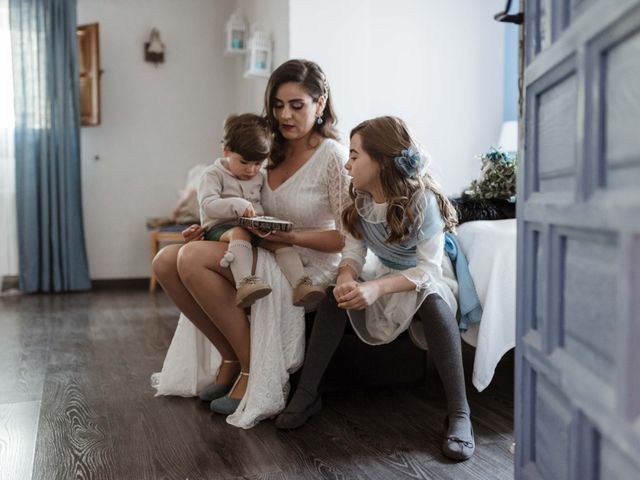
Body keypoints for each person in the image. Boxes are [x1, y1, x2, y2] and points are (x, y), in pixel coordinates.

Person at [151, 59, 350, 428]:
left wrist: (289, 236)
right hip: (259, 248)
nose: (285, 115)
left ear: (320, 104)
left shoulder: (333, 158)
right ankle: (230, 357)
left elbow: (345, 237)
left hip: (305, 263)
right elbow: (238, 202)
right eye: (277, 105)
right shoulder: (267, 149)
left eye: (296, 105)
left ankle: (255, 372)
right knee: (166, 260)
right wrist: (207, 227)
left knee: (192, 259)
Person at [275, 116, 475, 461]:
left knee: (434, 305)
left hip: (421, 274)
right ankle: (307, 393)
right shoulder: (361, 203)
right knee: (333, 299)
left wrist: (378, 289)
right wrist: (346, 278)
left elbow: (427, 269)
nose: (347, 163)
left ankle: (460, 413)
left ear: (381, 161)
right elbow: (353, 253)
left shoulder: (422, 201)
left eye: (354, 155)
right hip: (382, 270)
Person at [198, 113, 325, 308]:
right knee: (239, 232)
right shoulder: (213, 174)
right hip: (220, 229)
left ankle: (301, 284)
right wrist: (238, 204)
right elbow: (208, 205)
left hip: (250, 228)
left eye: (258, 164)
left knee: (279, 242)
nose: (251, 170)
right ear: (226, 151)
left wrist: (265, 222)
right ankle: (245, 284)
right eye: (244, 162)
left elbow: (259, 204)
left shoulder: (258, 177)